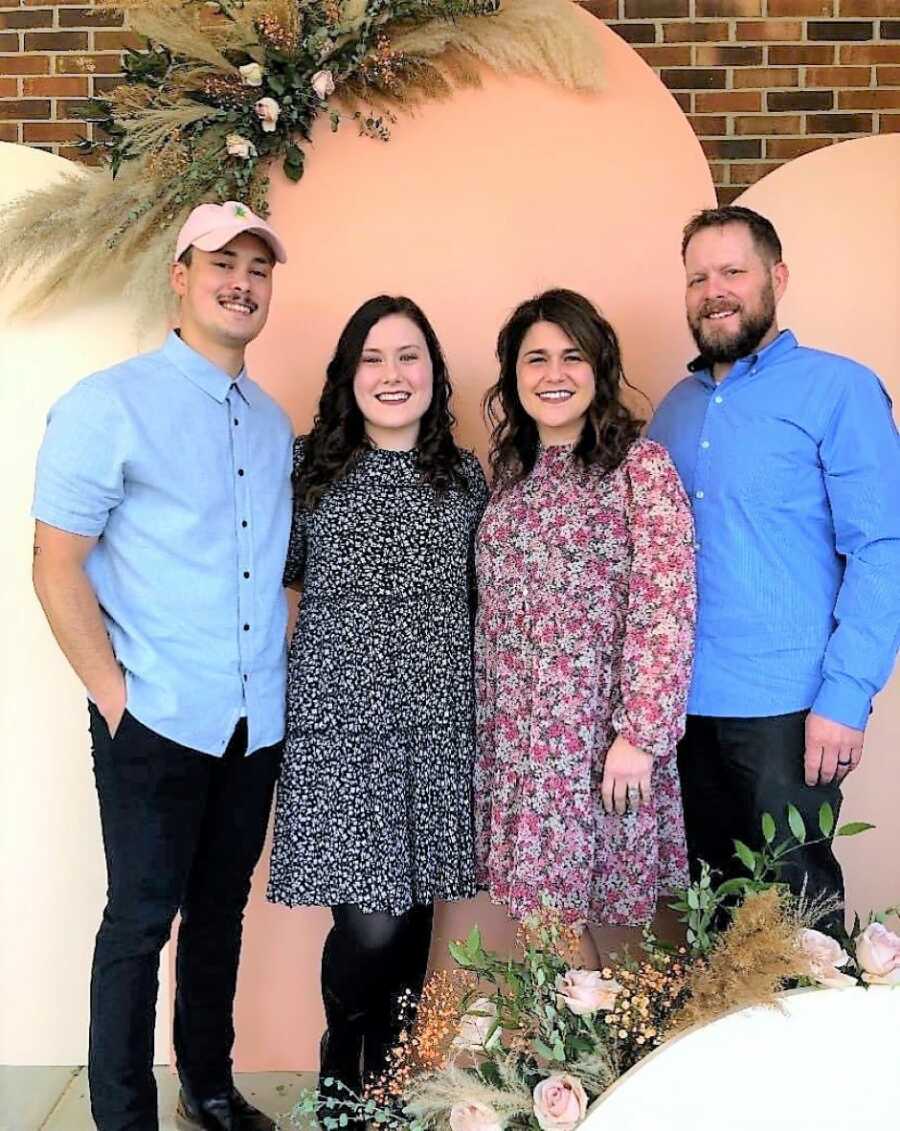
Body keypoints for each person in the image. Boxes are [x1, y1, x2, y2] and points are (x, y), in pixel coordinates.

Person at [31, 201, 292, 1131]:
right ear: (180, 277)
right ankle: (123, 1117)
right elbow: (54, 561)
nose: (241, 281)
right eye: (223, 262)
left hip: (254, 719)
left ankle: (210, 1089)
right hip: (153, 718)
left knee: (219, 916)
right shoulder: (110, 403)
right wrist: (115, 698)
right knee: (140, 925)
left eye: (259, 268)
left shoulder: (271, 424)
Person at [647, 205, 900, 914]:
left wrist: (846, 697)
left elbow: (882, 548)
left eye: (733, 271)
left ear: (777, 277)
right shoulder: (673, 410)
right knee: (710, 926)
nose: (713, 290)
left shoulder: (839, 389)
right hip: (683, 714)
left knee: (795, 929)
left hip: (789, 712)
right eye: (698, 277)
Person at [266, 296, 488, 1104]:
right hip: (339, 727)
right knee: (368, 922)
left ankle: (387, 1086)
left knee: (416, 914)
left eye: (409, 356)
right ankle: (340, 1074)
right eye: (373, 357)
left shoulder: (464, 476)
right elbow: (268, 582)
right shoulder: (306, 468)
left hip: (437, 725)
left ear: (434, 372)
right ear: (348, 373)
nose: (392, 374)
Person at [474, 289, 695, 945]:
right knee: (543, 923)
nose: (554, 374)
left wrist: (641, 734)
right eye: (535, 358)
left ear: (598, 368)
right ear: (514, 376)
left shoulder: (641, 468)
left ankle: (585, 1050)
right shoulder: (509, 473)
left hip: (600, 736)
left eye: (572, 356)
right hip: (518, 740)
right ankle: (570, 1049)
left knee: (569, 927)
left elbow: (667, 605)